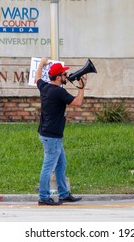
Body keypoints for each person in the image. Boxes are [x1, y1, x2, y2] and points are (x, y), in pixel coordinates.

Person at [35, 57, 86, 205]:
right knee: (48, 167)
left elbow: (37, 77)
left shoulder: (44, 87)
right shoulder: (58, 92)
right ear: (58, 77)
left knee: (61, 164)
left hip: (49, 134)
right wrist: (82, 87)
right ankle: (43, 197)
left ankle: (63, 194)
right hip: (52, 137)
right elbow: (78, 102)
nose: (66, 76)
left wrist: (41, 64)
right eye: (64, 74)